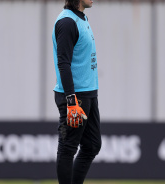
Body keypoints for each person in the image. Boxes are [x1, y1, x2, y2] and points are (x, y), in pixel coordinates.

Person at [52, 0, 101, 183]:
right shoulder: (66, 22)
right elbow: (63, 63)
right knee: (68, 148)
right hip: (75, 96)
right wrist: (71, 100)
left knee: (92, 145)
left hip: (88, 94)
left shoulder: (81, 18)